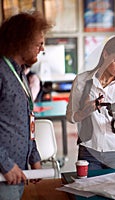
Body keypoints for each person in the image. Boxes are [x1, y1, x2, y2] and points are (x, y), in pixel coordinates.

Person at [0, 11, 52, 199]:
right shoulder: (1, 71)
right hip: (5, 173)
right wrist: (5, 163)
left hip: (18, 172)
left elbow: (25, 121)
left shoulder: (20, 73)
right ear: (20, 41)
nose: (42, 49)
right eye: (38, 44)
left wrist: (34, 158)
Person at [66, 36, 115, 170]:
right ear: (105, 54)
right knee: (88, 191)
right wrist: (85, 111)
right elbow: (71, 117)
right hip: (89, 151)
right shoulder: (82, 81)